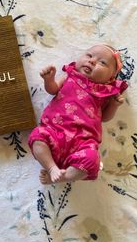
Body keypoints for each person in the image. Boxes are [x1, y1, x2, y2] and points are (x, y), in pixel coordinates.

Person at [28, 44, 128, 184]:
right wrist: (49, 80)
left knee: (92, 159)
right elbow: (53, 90)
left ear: (111, 78)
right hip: (54, 132)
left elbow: (105, 118)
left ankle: (65, 177)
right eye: (89, 55)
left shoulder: (105, 92)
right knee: (37, 136)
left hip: (83, 143)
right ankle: (51, 168)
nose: (92, 61)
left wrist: (114, 105)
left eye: (102, 62)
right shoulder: (71, 76)